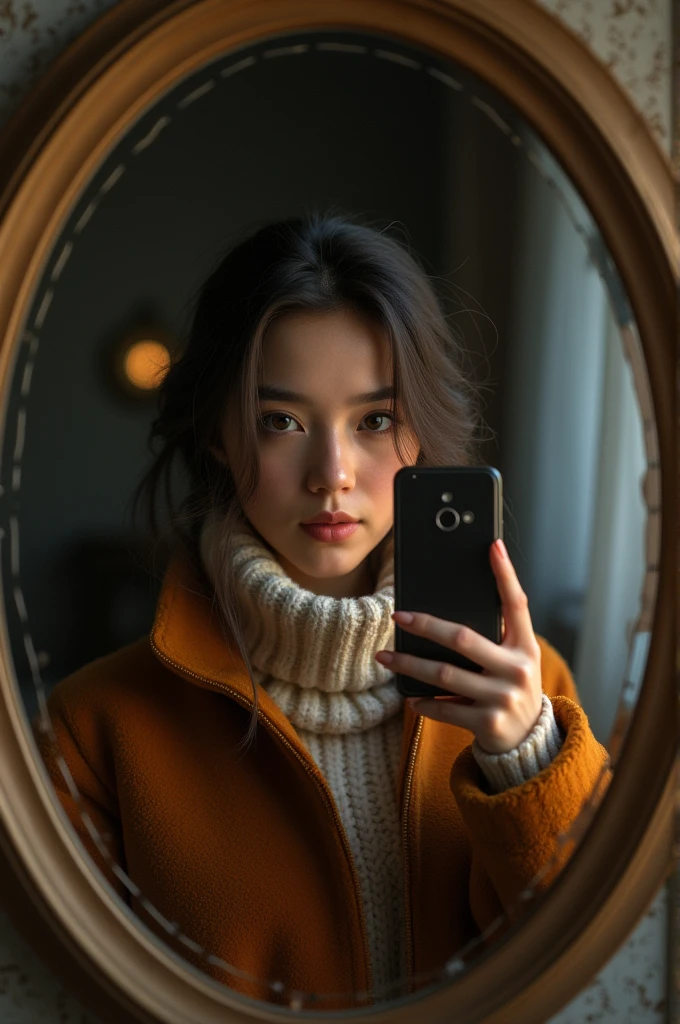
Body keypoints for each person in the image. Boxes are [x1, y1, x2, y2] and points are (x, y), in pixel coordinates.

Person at [33, 213, 610, 1010]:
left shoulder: (531, 685)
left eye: (375, 420)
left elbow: (609, 976)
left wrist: (528, 763)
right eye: (282, 422)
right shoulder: (95, 730)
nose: (332, 473)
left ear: (421, 435)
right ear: (217, 436)